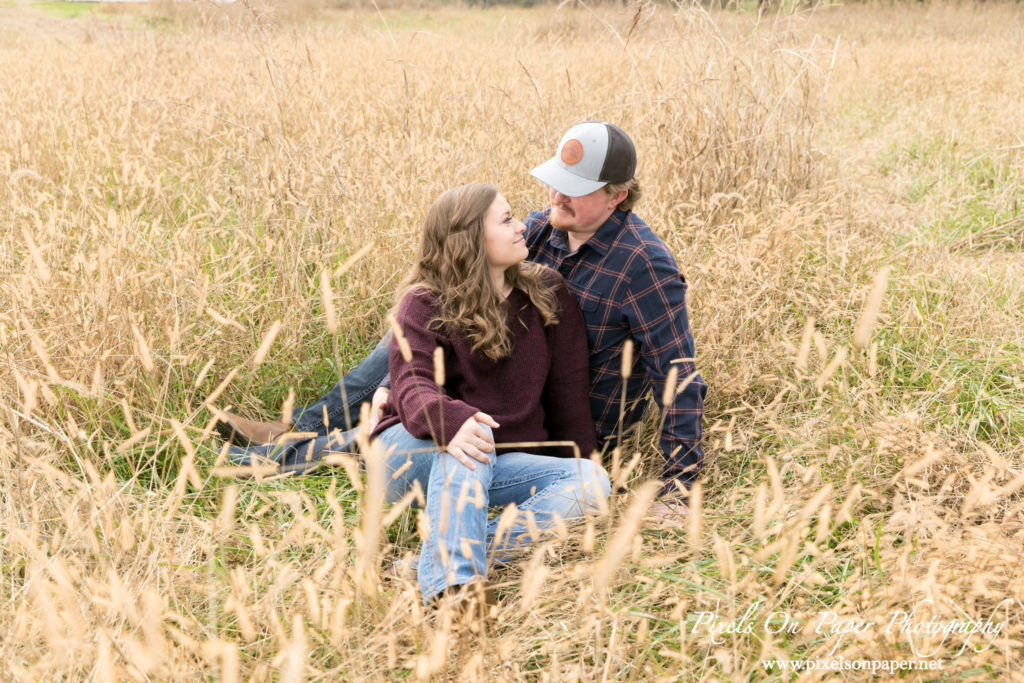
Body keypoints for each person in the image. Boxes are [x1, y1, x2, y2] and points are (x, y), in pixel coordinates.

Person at [216, 122, 706, 513]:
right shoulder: (539, 231)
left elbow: (679, 375)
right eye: (555, 182)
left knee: (409, 417)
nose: (555, 197)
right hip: (495, 391)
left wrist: (681, 484)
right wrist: (412, 378)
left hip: (560, 422)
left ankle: (292, 447)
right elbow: (453, 291)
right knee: (414, 337)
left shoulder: (644, 265)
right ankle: (303, 428)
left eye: (573, 189)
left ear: (617, 196)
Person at [371, 183, 609, 603]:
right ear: (469, 239)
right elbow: (412, 381)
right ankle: (455, 595)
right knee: (468, 436)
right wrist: (452, 421)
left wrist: (582, 459)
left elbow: (568, 395)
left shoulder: (547, 293)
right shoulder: (424, 302)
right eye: (506, 220)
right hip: (411, 452)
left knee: (591, 485)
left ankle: (431, 563)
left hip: (496, 459)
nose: (522, 228)